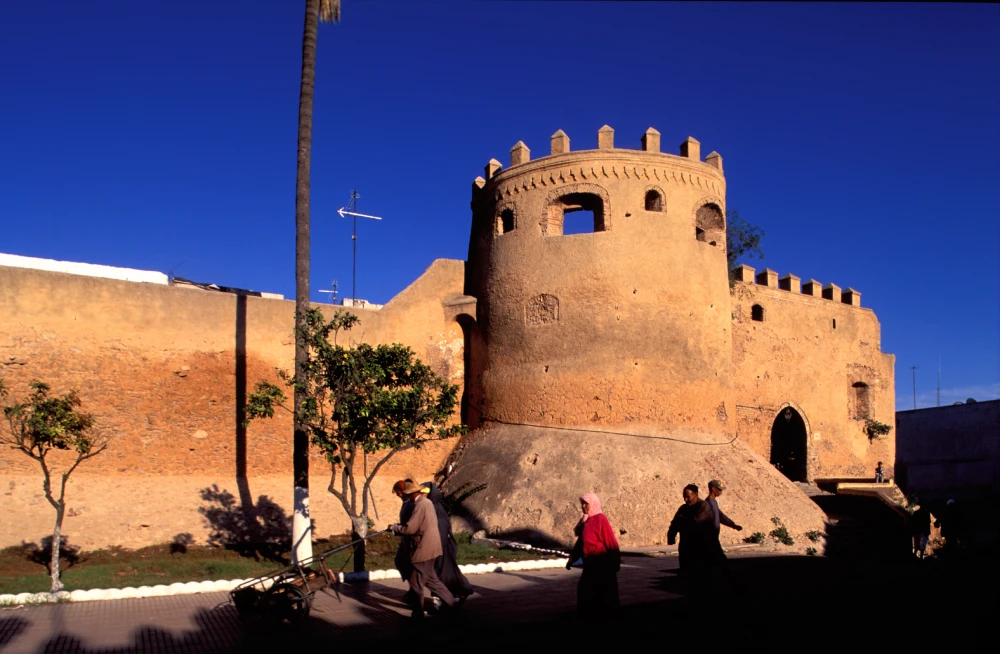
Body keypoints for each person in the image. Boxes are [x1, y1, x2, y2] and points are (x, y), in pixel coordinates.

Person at [391, 480, 456, 619]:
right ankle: (451, 603)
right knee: (432, 581)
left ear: (410, 493)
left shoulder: (420, 505)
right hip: (431, 548)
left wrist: (395, 528)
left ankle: (418, 613)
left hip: (423, 550)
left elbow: (411, 528)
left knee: (416, 583)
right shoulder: (426, 503)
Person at [566, 492, 621, 619]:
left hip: (602, 564)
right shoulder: (586, 521)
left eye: (586, 503)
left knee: (603, 593)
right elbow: (581, 542)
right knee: (585, 591)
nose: (583, 506)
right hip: (590, 563)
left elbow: (611, 542)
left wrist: (615, 562)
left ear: (593, 504)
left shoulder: (601, 519)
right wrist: (572, 558)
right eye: (582, 503)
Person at [667, 483, 720, 605]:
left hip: (700, 548)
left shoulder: (704, 506)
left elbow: (696, 521)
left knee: (701, 577)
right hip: (686, 548)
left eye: (688, 496)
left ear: (695, 495)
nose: (685, 499)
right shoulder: (683, 508)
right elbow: (675, 522)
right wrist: (671, 535)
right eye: (684, 497)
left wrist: (682, 519)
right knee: (686, 575)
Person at [422, 481, 474, 604]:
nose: (422, 496)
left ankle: (446, 599)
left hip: (441, 547)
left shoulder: (436, 509)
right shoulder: (432, 507)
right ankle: (456, 594)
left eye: (424, 494)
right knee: (443, 573)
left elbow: (441, 529)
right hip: (439, 547)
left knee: (442, 573)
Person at [392, 479, 418, 608]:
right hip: (405, 538)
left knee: (408, 565)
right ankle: (413, 589)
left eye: (398, 492)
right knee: (400, 562)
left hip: (409, 539)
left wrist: (398, 528)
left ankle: (415, 592)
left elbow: (410, 524)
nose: (398, 495)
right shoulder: (406, 503)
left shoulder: (411, 504)